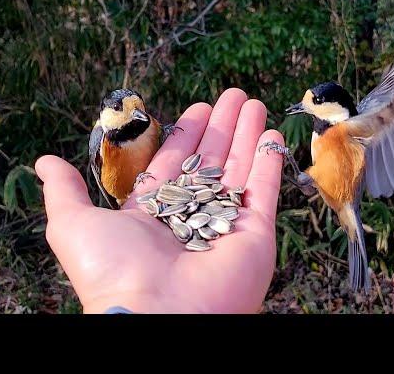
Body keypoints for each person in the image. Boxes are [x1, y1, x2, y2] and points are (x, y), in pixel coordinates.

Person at [35, 88, 285, 314]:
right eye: (123, 109)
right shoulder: (102, 138)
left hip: (167, 188)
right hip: (130, 192)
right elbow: (104, 181)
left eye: (139, 107)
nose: (137, 114)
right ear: (106, 112)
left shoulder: (147, 123)